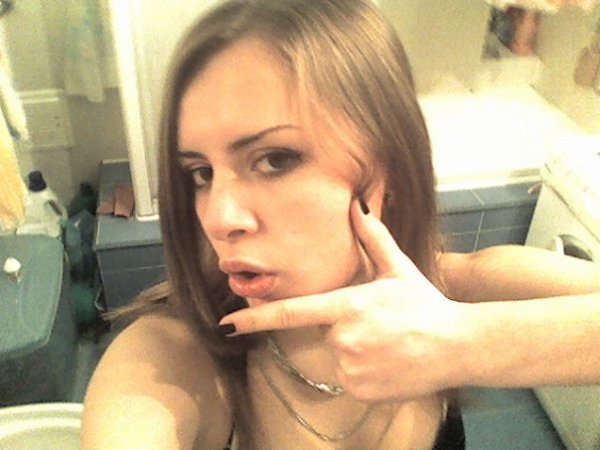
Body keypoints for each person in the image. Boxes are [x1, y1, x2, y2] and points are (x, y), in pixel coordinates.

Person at [81, 1, 600, 449]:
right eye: (201, 173)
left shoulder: (457, 289)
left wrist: (462, 341)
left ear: (390, 168)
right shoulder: (168, 361)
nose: (219, 218)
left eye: (275, 159)